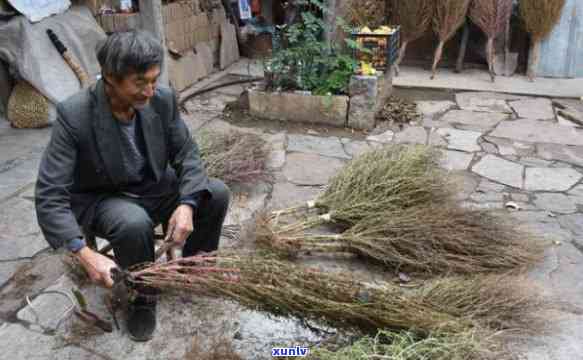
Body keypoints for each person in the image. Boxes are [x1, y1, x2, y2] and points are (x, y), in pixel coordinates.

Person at [35, 30, 230, 342]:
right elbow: (49, 195)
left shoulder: (162, 99)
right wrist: (82, 252)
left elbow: (186, 153)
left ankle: (195, 271)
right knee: (132, 223)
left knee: (215, 193)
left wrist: (186, 204)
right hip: (104, 196)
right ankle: (143, 298)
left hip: (152, 185)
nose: (150, 90)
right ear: (110, 78)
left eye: (154, 79)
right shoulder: (75, 115)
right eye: (140, 82)